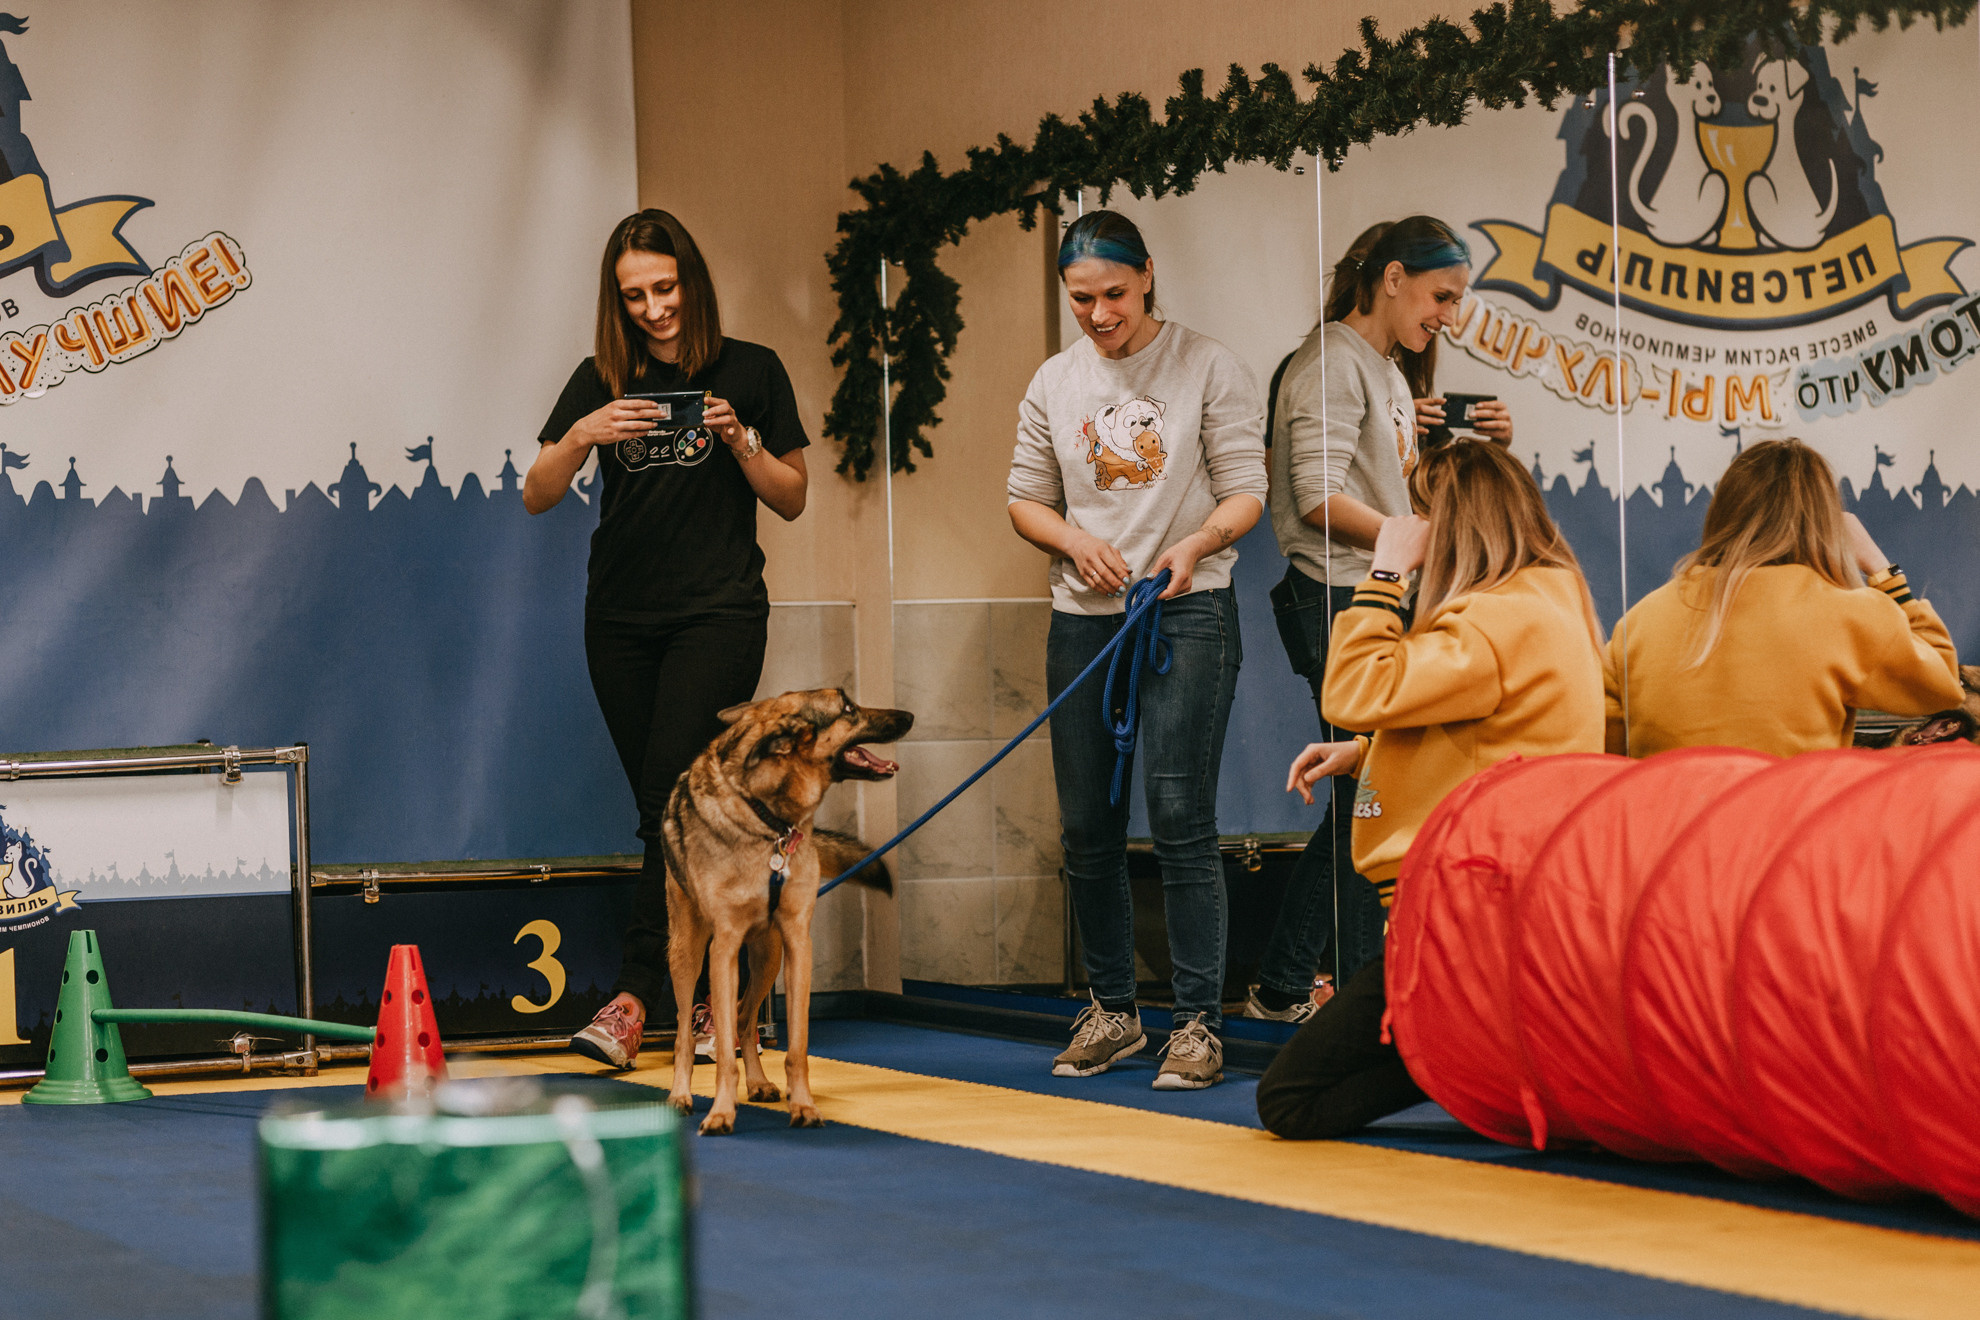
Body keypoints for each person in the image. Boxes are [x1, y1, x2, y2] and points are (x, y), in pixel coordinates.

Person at [526, 208, 810, 1069]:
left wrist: (740, 438)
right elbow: (538, 492)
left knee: (667, 802)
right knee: (678, 816)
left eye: (665, 287)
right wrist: (584, 433)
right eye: (634, 295)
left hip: (718, 614)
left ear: (692, 280)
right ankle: (717, 1000)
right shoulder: (600, 377)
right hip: (619, 621)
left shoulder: (752, 369)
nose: (653, 308)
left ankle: (636, 997)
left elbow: (792, 496)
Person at [1255, 440, 1605, 1138]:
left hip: (1460, 922)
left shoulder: (1490, 622)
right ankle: (1475, 1053)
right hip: (1509, 906)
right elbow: (1487, 724)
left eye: (1419, 514)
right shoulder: (1551, 596)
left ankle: (1458, 1055)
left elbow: (1352, 689)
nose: (1409, 526)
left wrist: (1385, 572)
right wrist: (1367, 753)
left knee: (1287, 1100)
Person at [1007, 210, 1268, 1090]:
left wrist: (1193, 547)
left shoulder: (1207, 365)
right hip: (1084, 616)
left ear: (1148, 275)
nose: (1099, 314)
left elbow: (1246, 490)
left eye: (1114, 293)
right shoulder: (1055, 379)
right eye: (1081, 298)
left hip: (1186, 611)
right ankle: (1113, 1010)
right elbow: (1025, 500)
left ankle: (1196, 1024)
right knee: (1088, 825)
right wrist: (1073, 542)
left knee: (1181, 816)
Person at [1252, 216, 1511, 1025]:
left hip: (1371, 593)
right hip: (1335, 595)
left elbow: (1387, 489)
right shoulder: (1333, 362)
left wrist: (1478, 455)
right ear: (1392, 279)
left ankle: (1295, 985)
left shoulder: (1385, 369)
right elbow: (1316, 498)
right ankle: (1358, 997)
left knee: (1369, 793)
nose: (1450, 317)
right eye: (1443, 296)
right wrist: (1420, 541)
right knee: (1374, 798)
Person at [1604, 438, 1961, 758]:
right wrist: (1882, 569)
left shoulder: (1637, 623)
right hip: (1793, 812)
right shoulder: (1849, 614)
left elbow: (1608, 748)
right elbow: (1944, 684)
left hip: (1673, 812)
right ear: (1826, 524)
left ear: (1722, 515)